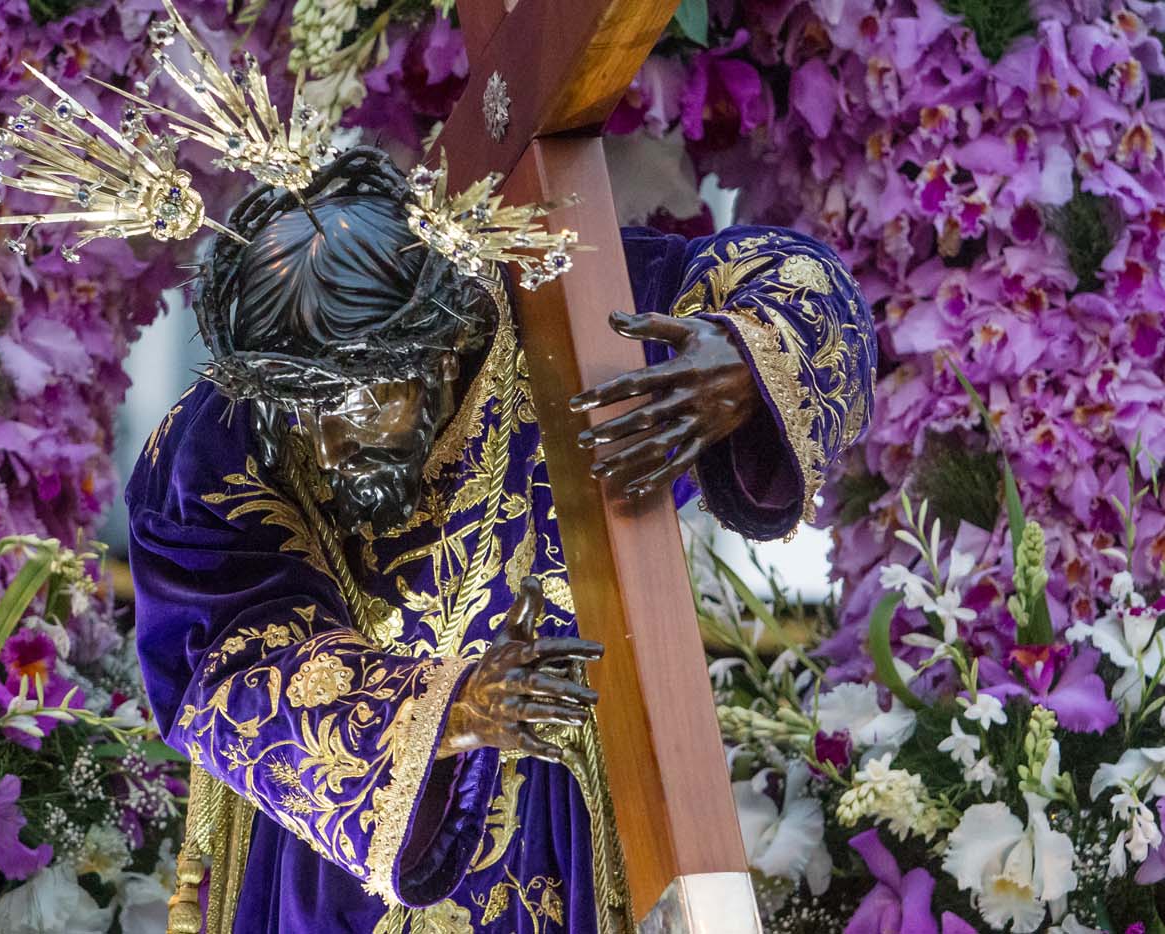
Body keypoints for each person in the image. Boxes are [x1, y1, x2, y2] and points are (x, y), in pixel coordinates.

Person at [125, 145, 874, 933]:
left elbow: (803, 286)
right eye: (298, 407)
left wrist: (741, 361)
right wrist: (449, 710)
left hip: (557, 825)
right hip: (343, 852)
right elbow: (221, 661)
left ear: (441, 344)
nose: (328, 445)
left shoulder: (577, 309)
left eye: (360, 400)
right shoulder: (217, 438)